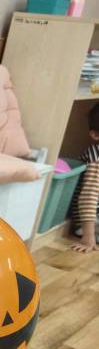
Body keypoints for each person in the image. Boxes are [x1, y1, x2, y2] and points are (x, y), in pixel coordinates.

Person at [71, 102, 99, 253]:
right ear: (95, 135)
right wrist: (88, 236)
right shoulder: (96, 157)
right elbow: (89, 197)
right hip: (89, 223)